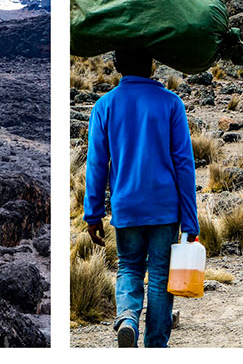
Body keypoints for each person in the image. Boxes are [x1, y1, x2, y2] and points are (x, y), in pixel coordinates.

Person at [83, 49, 201, 347]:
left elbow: (97, 164)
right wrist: (190, 220)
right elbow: (184, 165)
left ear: (118, 66)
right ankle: (156, 346)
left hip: (126, 206)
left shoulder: (103, 106)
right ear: (151, 66)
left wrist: (92, 214)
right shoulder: (171, 104)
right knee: (161, 276)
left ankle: (127, 318)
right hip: (165, 209)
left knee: (129, 267)